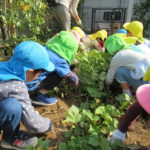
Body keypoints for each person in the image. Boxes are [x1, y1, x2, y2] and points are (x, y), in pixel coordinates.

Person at [0, 41, 55, 149]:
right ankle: (10, 139)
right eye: (39, 73)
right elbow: (32, 122)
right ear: (30, 72)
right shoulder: (17, 86)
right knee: (12, 106)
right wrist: (48, 124)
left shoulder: (2, 66)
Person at [26, 31, 80, 106]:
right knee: (59, 75)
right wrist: (76, 80)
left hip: (22, 78)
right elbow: (70, 76)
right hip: (31, 84)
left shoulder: (43, 49)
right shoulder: (60, 60)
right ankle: (40, 96)